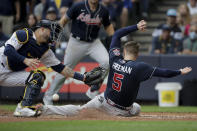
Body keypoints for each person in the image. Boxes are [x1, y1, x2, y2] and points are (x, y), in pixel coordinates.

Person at [38, 20, 192, 117]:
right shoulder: (140, 67)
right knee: (136, 108)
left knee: (80, 110)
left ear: (124, 51)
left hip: (105, 101)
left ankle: (45, 110)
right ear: (137, 55)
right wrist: (179, 71)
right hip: (124, 110)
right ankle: (113, 114)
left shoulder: (114, 58)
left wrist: (136, 27)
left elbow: (117, 34)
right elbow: (163, 72)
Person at [0, 20, 102, 117]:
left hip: (10, 73)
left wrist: (82, 77)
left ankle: (22, 108)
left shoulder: (45, 50)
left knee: (37, 77)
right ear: (42, 29)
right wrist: (25, 60)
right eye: (51, 30)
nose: (55, 34)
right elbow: (8, 50)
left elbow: (60, 68)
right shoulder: (24, 34)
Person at [43, 0, 115, 105]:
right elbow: (63, 21)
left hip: (94, 43)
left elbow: (108, 26)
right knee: (64, 70)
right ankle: (48, 97)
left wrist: (114, 41)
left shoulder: (103, 10)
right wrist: (53, 38)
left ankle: (93, 90)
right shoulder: (78, 6)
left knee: (107, 62)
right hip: (76, 42)